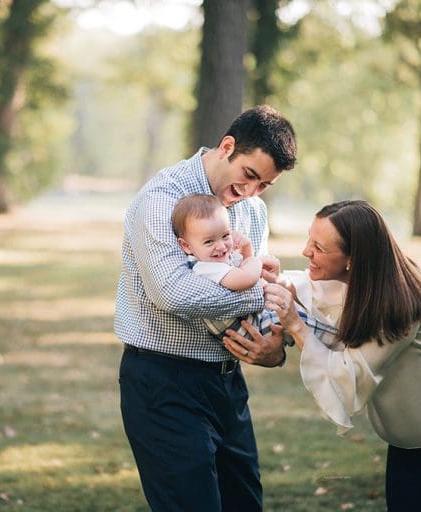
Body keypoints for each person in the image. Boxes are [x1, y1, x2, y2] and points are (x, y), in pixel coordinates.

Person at [230, 199, 421, 512]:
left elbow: (349, 376)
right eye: (309, 238)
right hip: (408, 435)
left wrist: (295, 324)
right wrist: (275, 281)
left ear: (352, 259)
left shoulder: (401, 306)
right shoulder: (353, 279)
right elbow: (306, 287)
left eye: (319, 247)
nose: (307, 251)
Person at [115, 105, 296, 511]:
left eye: (264, 184)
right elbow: (174, 294)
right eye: (249, 175)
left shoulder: (253, 211)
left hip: (227, 385)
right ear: (227, 146)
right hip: (164, 383)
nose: (250, 191)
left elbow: (262, 302)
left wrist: (276, 344)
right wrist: (256, 292)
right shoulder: (162, 199)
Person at [171, 193, 337, 361]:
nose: (221, 246)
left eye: (225, 236)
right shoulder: (205, 268)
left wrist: (246, 250)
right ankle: (340, 341)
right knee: (298, 316)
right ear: (186, 246)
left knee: (292, 312)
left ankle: (330, 344)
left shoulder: (212, 259)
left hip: (249, 323)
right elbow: (246, 280)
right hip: (250, 332)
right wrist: (255, 261)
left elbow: (243, 271)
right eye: (209, 242)